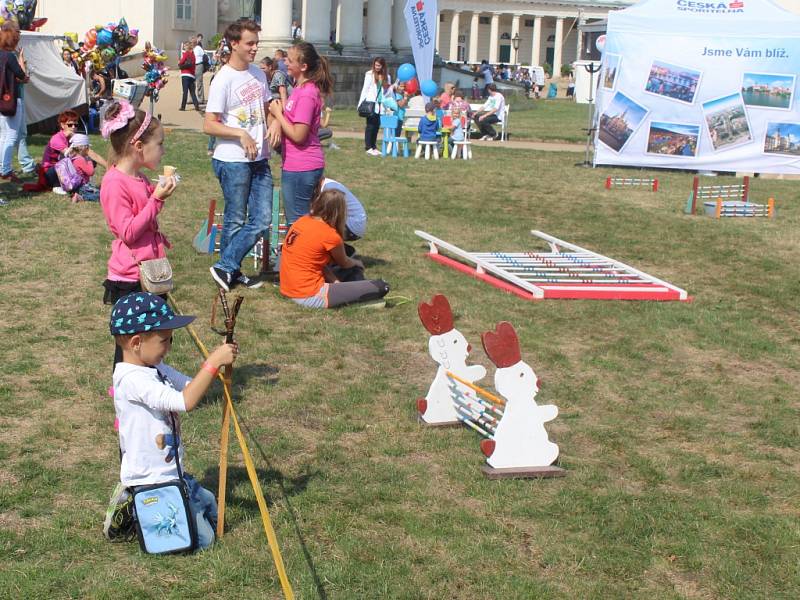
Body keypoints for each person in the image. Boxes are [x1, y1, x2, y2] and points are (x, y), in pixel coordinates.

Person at [109, 291, 237, 551]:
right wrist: (213, 363)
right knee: (202, 541)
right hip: (151, 478)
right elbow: (184, 402)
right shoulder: (133, 380)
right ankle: (134, 509)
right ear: (136, 342)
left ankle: (179, 504)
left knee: (211, 507)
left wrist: (218, 363)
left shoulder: (155, 368)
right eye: (164, 341)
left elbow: (190, 387)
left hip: (170, 473)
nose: (168, 347)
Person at [204, 19, 280, 291]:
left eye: (256, 42)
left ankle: (226, 266)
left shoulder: (259, 74)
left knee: (262, 219)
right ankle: (230, 271)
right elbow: (208, 124)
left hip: (259, 159)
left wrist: (274, 121)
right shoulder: (223, 79)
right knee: (236, 217)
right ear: (234, 44)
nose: (255, 48)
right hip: (232, 159)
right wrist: (240, 133)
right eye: (250, 43)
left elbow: (268, 106)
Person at [279, 189, 389, 309]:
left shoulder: (302, 221)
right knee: (381, 285)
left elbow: (317, 263)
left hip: (288, 288)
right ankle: (356, 296)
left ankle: (347, 290)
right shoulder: (330, 235)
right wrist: (358, 262)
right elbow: (345, 263)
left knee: (348, 271)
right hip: (309, 295)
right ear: (339, 212)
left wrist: (336, 282)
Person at [268, 41, 332, 226]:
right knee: (302, 221)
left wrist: (278, 115)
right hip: (298, 166)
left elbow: (298, 134)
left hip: (301, 168)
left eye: (289, 60)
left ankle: (300, 255)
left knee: (297, 224)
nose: (285, 63)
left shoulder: (306, 94)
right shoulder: (299, 89)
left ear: (303, 66)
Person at [40, 111, 107, 191]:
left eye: (76, 125)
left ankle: (80, 182)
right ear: (62, 125)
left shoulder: (75, 138)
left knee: (91, 161)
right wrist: (85, 152)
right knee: (74, 160)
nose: (73, 127)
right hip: (50, 173)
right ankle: (57, 185)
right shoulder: (56, 139)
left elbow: (90, 153)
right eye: (70, 125)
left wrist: (109, 167)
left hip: (63, 170)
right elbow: (70, 154)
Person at [0, 22, 28, 183]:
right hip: (11, 100)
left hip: (1, 100)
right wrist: (21, 58)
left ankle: (2, 167)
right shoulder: (9, 56)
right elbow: (22, 75)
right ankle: (6, 170)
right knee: (11, 136)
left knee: (3, 136)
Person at [357, 57, 391, 156]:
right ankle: (368, 147)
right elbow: (365, 89)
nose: (377, 67)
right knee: (370, 126)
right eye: (376, 65)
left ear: (383, 66)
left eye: (379, 65)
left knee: (377, 126)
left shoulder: (387, 77)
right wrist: (360, 104)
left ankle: (374, 146)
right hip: (371, 103)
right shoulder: (369, 75)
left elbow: (387, 92)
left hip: (381, 105)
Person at [65, 133, 101, 202]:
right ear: (83, 148)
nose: (88, 150)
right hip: (82, 187)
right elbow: (91, 172)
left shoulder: (73, 158)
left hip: (74, 186)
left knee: (97, 190)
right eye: (87, 148)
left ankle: (76, 194)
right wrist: (89, 160)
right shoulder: (80, 159)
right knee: (100, 195)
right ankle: (81, 197)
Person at [178, 41, 201, 112]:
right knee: (192, 92)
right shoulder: (193, 55)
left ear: (186, 47)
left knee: (185, 91)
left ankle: (183, 107)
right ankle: (196, 106)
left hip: (185, 74)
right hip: (192, 75)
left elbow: (181, 62)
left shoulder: (186, 54)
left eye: (185, 46)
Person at [193, 35, 206, 105]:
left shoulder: (198, 48)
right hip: (192, 66)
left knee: (199, 83)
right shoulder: (191, 49)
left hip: (198, 65)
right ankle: (192, 98)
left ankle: (200, 99)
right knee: (192, 82)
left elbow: (204, 56)